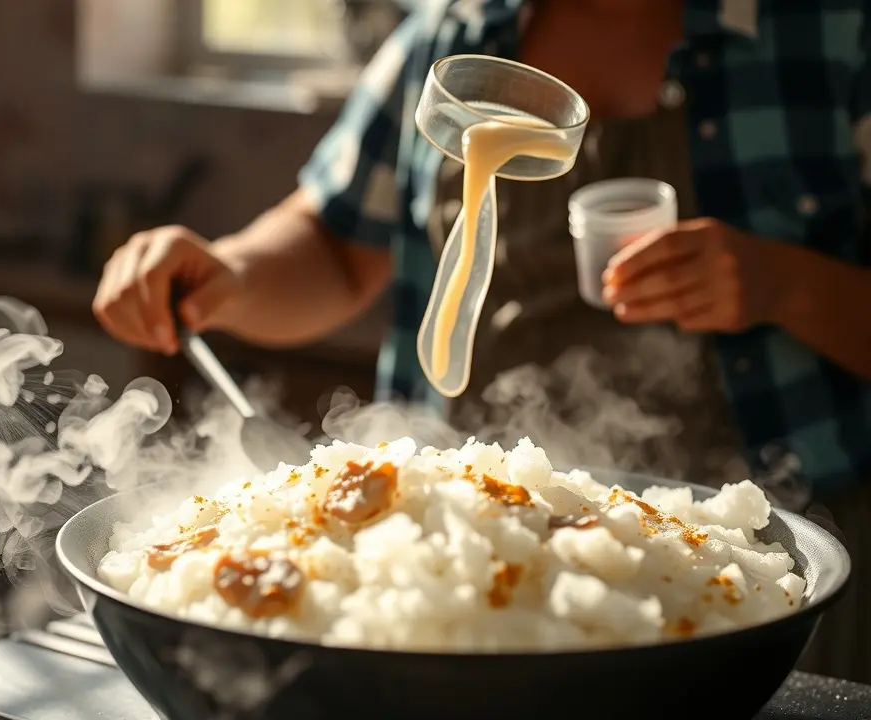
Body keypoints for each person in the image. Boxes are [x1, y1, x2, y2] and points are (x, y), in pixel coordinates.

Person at [92, 0, 871, 681]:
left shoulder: (833, 31)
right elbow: (332, 245)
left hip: (750, 564)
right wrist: (226, 271)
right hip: (470, 555)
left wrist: (784, 284)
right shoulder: (453, 29)